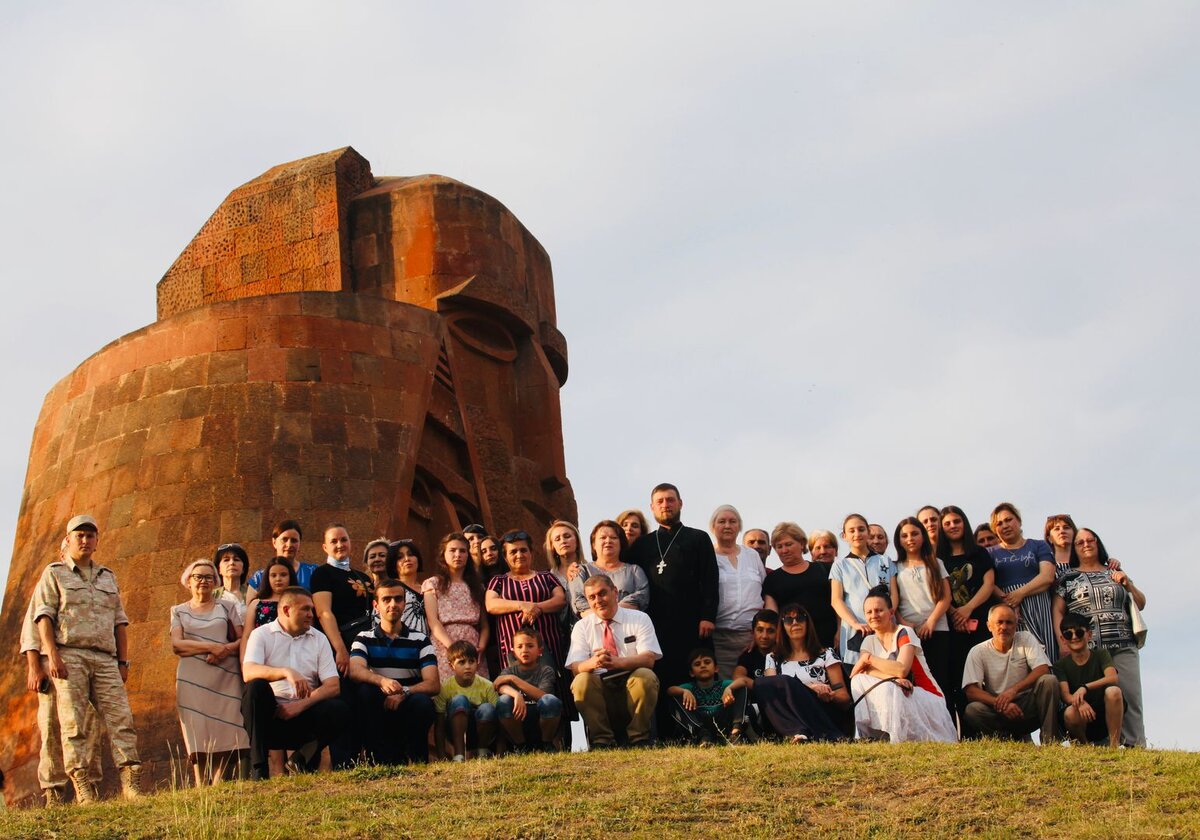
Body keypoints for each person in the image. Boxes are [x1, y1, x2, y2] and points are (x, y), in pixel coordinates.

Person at [31, 514, 142, 803]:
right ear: (68, 540)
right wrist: (52, 656)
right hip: (70, 655)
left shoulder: (108, 576)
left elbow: (120, 622)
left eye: (90, 535)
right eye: (79, 535)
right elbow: (43, 617)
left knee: (121, 718)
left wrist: (123, 662)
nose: (85, 539)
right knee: (73, 724)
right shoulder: (54, 573)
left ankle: (131, 784)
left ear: (97, 541)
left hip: (105, 659)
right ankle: (82, 788)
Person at [626, 483, 719, 729]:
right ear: (652, 507)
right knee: (663, 677)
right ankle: (667, 734)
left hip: (693, 621)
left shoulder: (698, 538)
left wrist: (708, 616)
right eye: (660, 502)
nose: (665, 505)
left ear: (680, 503)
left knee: (698, 675)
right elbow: (620, 571)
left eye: (670, 500)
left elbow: (710, 579)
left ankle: (706, 729)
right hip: (655, 624)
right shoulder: (643, 544)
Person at [20, 547, 103, 806]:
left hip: (81, 670)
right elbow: (31, 633)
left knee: (88, 725)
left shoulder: (86, 587)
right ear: (61, 552)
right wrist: (35, 668)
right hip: (52, 669)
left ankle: (90, 784)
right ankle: (54, 790)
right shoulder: (47, 585)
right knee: (51, 728)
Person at [241, 587, 350, 779]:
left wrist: (300, 705)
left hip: (304, 716)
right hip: (270, 717)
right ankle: (259, 770)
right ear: (286, 610)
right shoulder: (261, 634)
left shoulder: (319, 638)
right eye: (305, 609)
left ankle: (301, 760)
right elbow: (248, 672)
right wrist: (285, 672)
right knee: (255, 688)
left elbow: (333, 685)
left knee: (339, 709)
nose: (311, 614)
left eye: (312, 609)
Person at [1052, 527, 1146, 747]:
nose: (1086, 544)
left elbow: (1140, 603)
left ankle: (1135, 745)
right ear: (1074, 548)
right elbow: (1057, 611)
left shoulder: (1114, 571)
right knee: (1094, 696)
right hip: (1089, 648)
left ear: (1098, 543)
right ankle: (1102, 743)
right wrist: (1062, 641)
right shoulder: (1067, 577)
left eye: (1090, 540)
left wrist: (1127, 583)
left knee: (1130, 696)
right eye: (1080, 542)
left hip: (1122, 641)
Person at [170, 559, 249, 784]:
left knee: (227, 725)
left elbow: (243, 639)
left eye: (208, 577)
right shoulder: (178, 611)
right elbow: (177, 644)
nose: (203, 581)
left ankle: (218, 782)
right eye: (198, 577)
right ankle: (199, 782)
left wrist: (224, 650)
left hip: (225, 674)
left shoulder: (227, 607)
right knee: (197, 728)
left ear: (215, 582)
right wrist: (211, 647)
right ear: (188, 582)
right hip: (192, 675)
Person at [348, 579, 440, 765]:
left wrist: (404, 693)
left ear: (404, 604)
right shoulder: (364, 638)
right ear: (376, 605)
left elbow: (433, 684)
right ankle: (379, 760)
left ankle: (417, 759)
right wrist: (382, 681)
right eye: (386, 599)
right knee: (364, 692)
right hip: (379, 706)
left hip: (408, 704)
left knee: (423, 702)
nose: (393, 604)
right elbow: (355, 670)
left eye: (398, 599)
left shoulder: (420, 639)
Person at [850, 586, 957, 743]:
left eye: (879, 610)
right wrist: (890, 678)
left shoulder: (904, 632)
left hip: (925, 696)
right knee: (859, 681)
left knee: (889, 687)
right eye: (869, 612)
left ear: (891, 613)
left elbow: (901, 669)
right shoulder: (868, 640)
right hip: (897, 690)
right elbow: (858, 673)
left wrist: (869, 660)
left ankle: (895, 736)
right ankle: (868, 735)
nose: (874, 615)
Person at [566, 575, 663, 748]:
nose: (598, 600)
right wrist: (594, 662)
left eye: (602, 593)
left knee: (646, 676)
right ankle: (602, 741)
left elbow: (649, 659)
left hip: (631, 683)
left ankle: (639, 739)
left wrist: (616, 662)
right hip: (600, 688)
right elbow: (575, 667)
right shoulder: (582, 626)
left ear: (615, 593)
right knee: (580, 681)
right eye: (592, 597)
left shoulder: (639, 618)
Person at [310, 524, 374, 769]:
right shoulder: (322, 574)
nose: (339, 545)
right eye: (334, 541)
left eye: (344, 540)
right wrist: (339, 649)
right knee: (344, 701)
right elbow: (324, 612)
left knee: (366, 700)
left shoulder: (363, 577)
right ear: (325, 546)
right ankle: (344, 763)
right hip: (341, 646)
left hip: (366, 648)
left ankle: (368, 758)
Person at [961, 603, 1058, 743]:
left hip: (1025, 706)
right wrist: (1000, 704)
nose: (1004, 627)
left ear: (1016, 625)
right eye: (999, 622)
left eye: (1009, 622)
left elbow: (1043, 669)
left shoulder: (1025, 638)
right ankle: (1005, 740)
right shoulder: (978, 651)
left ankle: (1050, 740)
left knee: (1049, 681)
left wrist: (1013, 691)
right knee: (973, 710)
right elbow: (971, 692)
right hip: (998, 709)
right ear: (989, 626)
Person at [754, 604, 849, 743]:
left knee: (784, 682)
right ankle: (798, 732)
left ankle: (803, 733)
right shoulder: (773, 658)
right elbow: (772, 689)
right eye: (788, 620)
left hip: (820, 711)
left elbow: (844, 698)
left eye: (800, 618)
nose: (795, 623)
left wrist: (829, 694)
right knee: (762, 684)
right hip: (789, 716)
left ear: (808, 623)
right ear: (782, 626)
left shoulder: (826, 654)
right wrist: (810, 688)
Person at [937, 505, 996, 724]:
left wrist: (967, 608)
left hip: (981, 623)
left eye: (957, 521)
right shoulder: (937, 556)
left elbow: (988, 584)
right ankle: (962, 730)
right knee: (959, 678)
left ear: (964, 523)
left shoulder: (979, 552)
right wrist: (954, 613)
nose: (953, 526)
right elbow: (936, 589)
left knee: (986, 676)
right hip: (952, 627)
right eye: (947, 523)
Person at [892, 517, 953, 715]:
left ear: (923, 536)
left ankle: (948, 727)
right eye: (904, 535)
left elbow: (945, 597)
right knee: (915, 681)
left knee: (941, 679)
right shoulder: (895, 566)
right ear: (899, 540)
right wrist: (903, 623)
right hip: (909, 633)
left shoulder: (936, 563)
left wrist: (931, 621)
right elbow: (894, 600)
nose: (910, 539)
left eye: (915, 533)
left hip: (938, 629)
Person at [987, 502, 1058, 661]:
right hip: (1008, 608)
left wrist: (1020, 593)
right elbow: (988, 583)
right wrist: (1009, 601)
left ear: (1018, 521)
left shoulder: (1038, 545)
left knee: (1045, 650)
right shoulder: (990, 553)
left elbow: (1047, 577)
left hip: (1039, 605)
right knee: (1017, 654)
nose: (1005, 525)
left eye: (1008, 520)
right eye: (999, 523)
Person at [486, 530, 567, 667]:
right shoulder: (499, 581)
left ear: (531, 553)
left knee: (552, 684)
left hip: (549, 645)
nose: (519, 555)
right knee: (517, 687)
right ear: (505, 557)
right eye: (513, 552)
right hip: (513, 650)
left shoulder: (546, 577)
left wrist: (537, 608)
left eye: (523, 550)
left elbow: (560, 599)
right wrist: (522, 605)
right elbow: (491, 604)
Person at [829, 513, 897, 665]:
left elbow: (894, 594)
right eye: (851, 531)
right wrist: (855, 624)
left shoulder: (885, 561)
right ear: (844, 535)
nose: (857, 534)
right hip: (855, 631)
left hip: (886, 628)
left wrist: (886, 617)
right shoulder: (840, 565)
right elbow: (836, 600)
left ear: (867, 532)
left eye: (861, 529)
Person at [709, 505, 767, 679]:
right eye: (722, 521)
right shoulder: (707, 555)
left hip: (751, 638)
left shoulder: (752, 555)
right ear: (713, 527)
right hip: (719, 638)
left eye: (732, 521)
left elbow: (765, 592)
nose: (727, 526)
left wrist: (759, 633)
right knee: (724, 689)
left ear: (739, 527)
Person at [423, 532, 490, 683]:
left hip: (473, 646)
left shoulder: (477, 587)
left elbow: (484, 625)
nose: (457, 555)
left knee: (478, 694)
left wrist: (481, 647)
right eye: (452, 550)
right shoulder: (433, 584)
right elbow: (433, 621)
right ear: (443, 554)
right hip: (444, 644)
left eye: (462, 551)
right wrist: (452, 647)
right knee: (447, 693)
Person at [761, 522, 837, 650]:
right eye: (779, 546)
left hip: (830, 641)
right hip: (795, 647)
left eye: (788, 544)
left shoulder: (825, 569)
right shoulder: (772, 579)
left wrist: (840, 631)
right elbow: (772, 615)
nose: (784, 550)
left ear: (802, 544)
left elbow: (838, 602)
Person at [1053, 613, 1124, 747]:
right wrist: (1080, 703)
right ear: (1063, 639)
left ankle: (1114, 744)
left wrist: (1085, 687)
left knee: (1114, 691)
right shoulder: (1060, 666)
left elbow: (1113, 678)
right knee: (1069, 713)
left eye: (1079, 632)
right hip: (1080, 716)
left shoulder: (1100, 654)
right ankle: (1084, 746)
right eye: (1068, 634)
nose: (1074, 637)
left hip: (1103, 713)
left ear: (1089, 635)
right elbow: (1065, 695)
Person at [494, 626, 563, 752]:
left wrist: (514, 680)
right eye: (519, 646)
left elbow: (543, 695)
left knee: (550, 701)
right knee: (503, 701)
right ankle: (521, 746)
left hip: (541, 718)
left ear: (540, 651)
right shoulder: (509, 670)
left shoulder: (546, 670)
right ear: (513, 652)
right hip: (518, 719)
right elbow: (499, 685)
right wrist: (516, 695)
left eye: (530, 646)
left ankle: (546, 744)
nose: (524, 650)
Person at [667, 649, 751, 745]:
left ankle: (735, 733)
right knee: (675, 697)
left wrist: (729, 688)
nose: (703, 666)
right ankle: (701, 735)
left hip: (722, 722)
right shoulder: (690, 687)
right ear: (691, 673)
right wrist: (684, 691)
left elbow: (743, 681)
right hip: (700, 723)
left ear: (716, 668)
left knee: (741, 688)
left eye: (707, 662)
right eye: (697, 664)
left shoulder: (723, 684)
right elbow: (670, 690)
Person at [434, 641, 499, 761]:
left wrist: (501, 751)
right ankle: (459, 754)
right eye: (461, 662)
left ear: (477, 663)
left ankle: (482, 751)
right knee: (460, 700)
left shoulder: (488, 686)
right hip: (453, 731)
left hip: (481, 731)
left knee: (488, 708)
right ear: (451, 665)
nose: (468, 666)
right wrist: (441, 755)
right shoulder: (445, 687)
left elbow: (499, 721)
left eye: (471, 661)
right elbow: (440, 724)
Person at [571, 520, 650, 615]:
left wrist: (613, 612)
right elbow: (578, 599)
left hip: (628, 624)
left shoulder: (634, 570)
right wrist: (603, 618)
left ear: (621, 543)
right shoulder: (581, 571)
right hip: (592, 625)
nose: (608, 541)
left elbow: (642, 595)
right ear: (593, 545)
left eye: (613, 537)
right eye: (603, 537)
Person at [246, 520, 316, 600]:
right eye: (284, 539)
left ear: (300, 543)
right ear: (274, 542)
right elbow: (250, 609)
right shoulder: (259, 578)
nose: (289, 545)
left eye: (294, 540)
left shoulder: (313, 572)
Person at [385, 539, 428, 635]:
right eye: (400, 557)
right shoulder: (389, 589)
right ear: (393, 564)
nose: (407, 559)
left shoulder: (427, 588)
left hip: (428, 646)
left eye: (411, 554)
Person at [733, 608, 780, 684]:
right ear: (753, 632)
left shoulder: (786, 654)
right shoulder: (749, 654)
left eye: (770, 631)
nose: (764, 636)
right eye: (760, 630)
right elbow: (737, 677)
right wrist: (762, 688)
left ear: (778, 633)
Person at [544, 520, 587, 593]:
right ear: (552, 546)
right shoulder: (548, 577)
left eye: (567, 536)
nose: (563, 541)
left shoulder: (589, 570)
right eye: (557, 539)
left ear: (577, 541)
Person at [213, 543, 250, 625]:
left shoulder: (252, 594)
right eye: (226, 560)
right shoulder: (211, 596)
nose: (231, 563)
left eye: (236, 559)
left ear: (243, 568)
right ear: (219, 569)